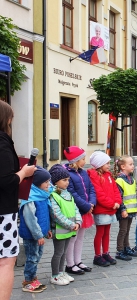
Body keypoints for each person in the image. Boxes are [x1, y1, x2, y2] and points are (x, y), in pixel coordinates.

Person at [0, 101, 36, 299]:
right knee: (6, 261)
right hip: (2, 212)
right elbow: (6, 180)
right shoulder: (1, 142)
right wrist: (24, 172)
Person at [19, 167, 52, 293]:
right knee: (32, 257)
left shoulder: (42, 195)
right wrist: (38, 235)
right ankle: (28, 281)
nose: (49, 184)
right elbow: (30, 219)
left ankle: (33, 277)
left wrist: (47, 230)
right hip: (31, 235)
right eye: (46, 182)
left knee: (37, 256)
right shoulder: (30, 198)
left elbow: (44, 215)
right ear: (38, 182)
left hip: (39, 234)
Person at [64, 146, 96, 275]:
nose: (85, 161)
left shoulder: (83, 172)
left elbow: (91, 188)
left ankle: (78, 261)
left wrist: (92, 203)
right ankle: (70, 264)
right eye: (83, 159)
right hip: (75, 211)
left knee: (80, 238)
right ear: (75, 161)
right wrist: (86, 206)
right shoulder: (67, 174)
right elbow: (72, 193)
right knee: (72, 238)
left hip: (85, 210)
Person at [49, 164, 82, 286]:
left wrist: (78, 222)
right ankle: (55, 275)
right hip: (60, 230)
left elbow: (75, 209)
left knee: (64, 252)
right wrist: (70, 224)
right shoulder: (53, 195)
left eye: (68, 180)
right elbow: (56, 215)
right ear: (56, 181)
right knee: (58, 253)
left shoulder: (68, 193)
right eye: (64, 180)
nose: (67, 182)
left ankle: (61, 272)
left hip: (70, 229)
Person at [88, 151, 121, 267]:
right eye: (107, 163)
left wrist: (117, 201)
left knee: (107, 232)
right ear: (99, 164)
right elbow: (99, 194)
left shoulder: (108, 175)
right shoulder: (95, 176)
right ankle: (97, 255)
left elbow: (115, 190)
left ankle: (105, 253)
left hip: (111, 208)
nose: (109, 165)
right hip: (102, 209)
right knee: (100, 232)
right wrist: (111, 203)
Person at [114, 155, 137, 260]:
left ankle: (126, 247)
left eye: (132, 164)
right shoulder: (120, 180)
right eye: (130, 164)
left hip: (131, 210)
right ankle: (120, 250)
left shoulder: (131, 179)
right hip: (124, 210)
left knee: (127, 230)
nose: (133, 166)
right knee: (123, 230)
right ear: (123, 167)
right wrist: (123, 209)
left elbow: (134, 193)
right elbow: (119, 196)